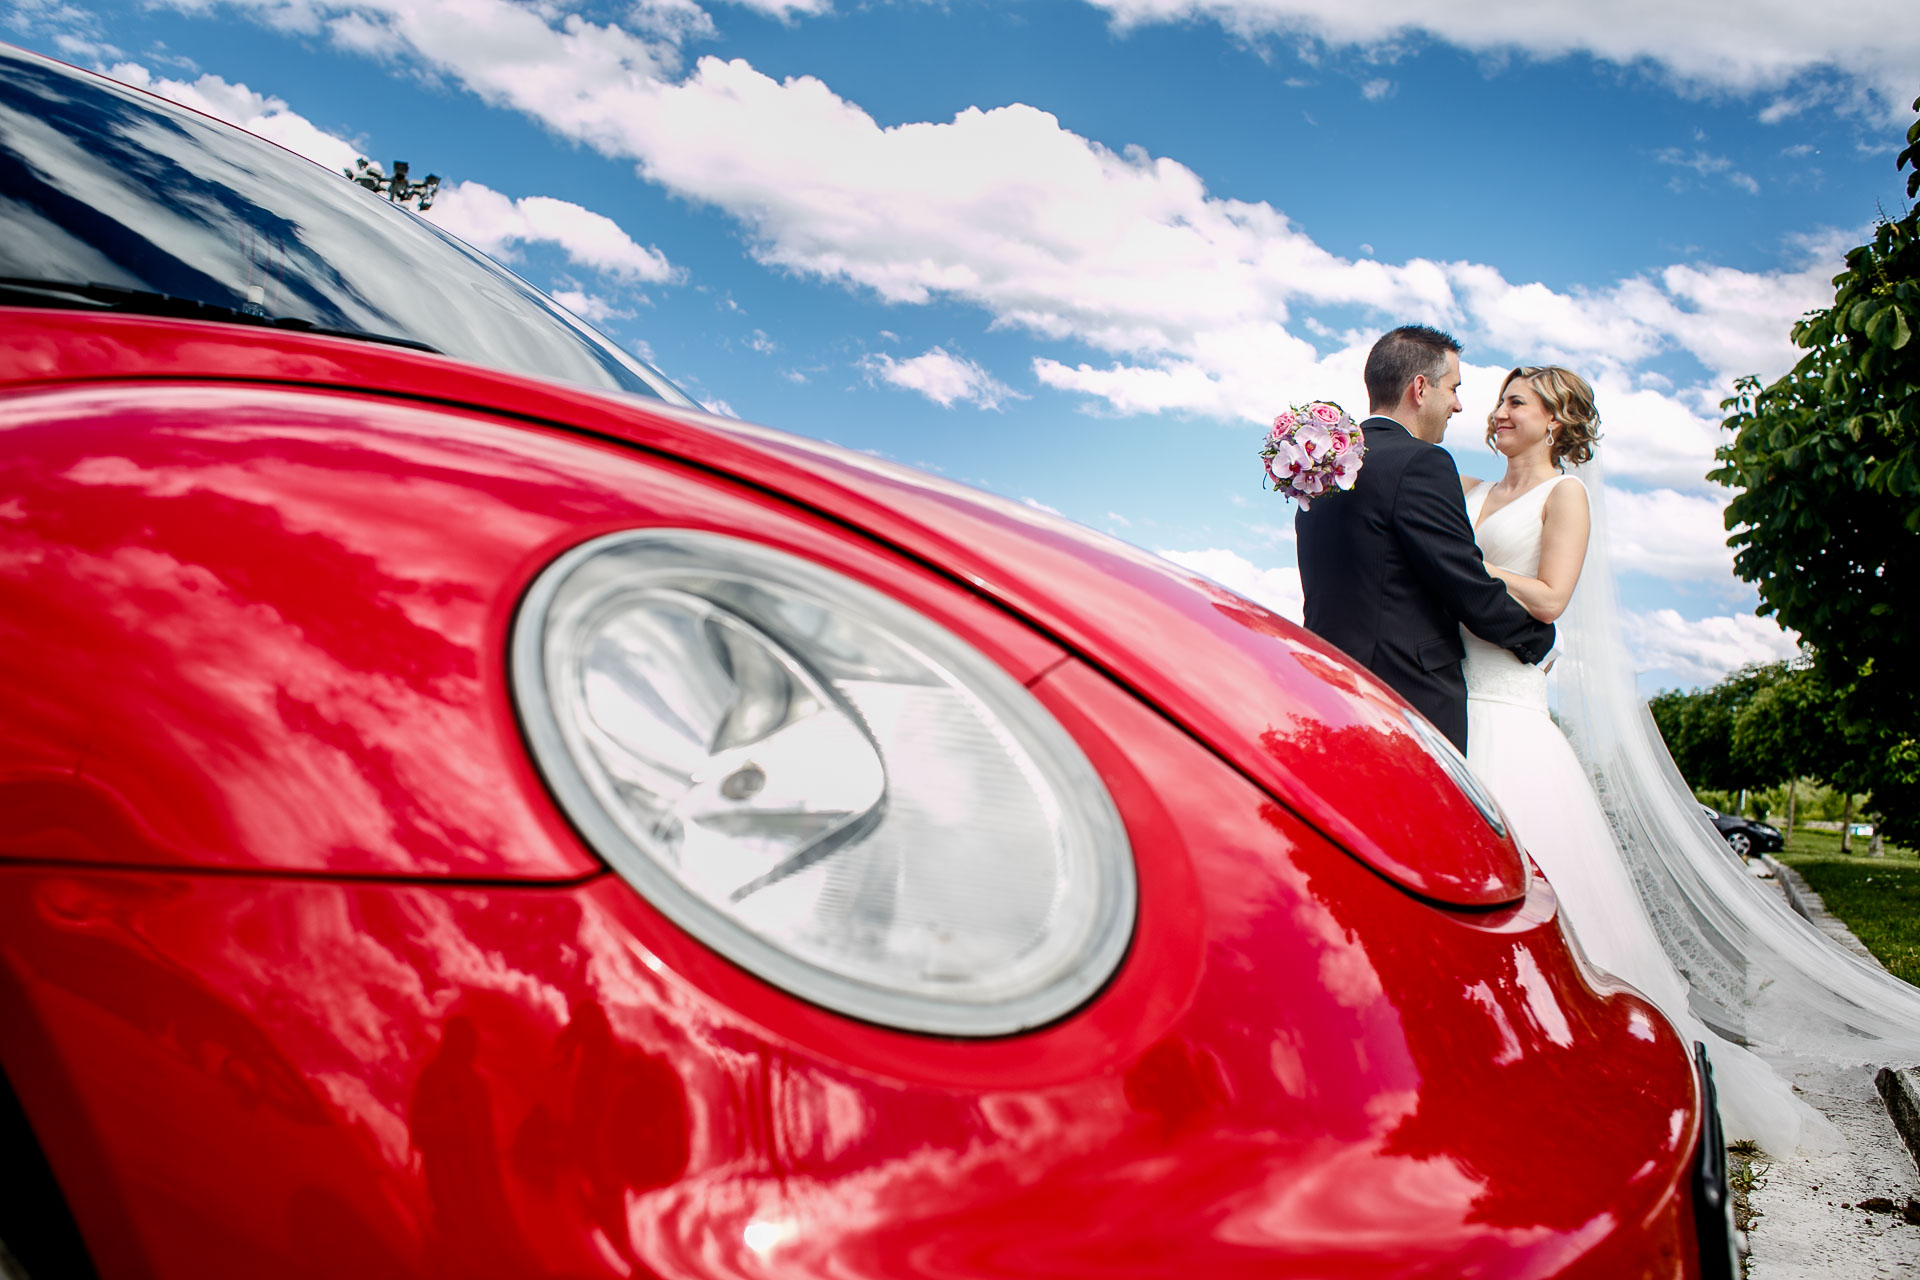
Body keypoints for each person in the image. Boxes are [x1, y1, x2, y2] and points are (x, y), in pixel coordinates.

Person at [1457, 365, 1823, 1155]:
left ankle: (1590, 1056)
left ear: (1555, 420)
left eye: (1516, 401)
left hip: (1513, 710)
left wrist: (1467, 567)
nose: (1498, 412)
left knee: (1552, 897)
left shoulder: (1566, 497)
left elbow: (1551, 596)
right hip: (1456, 702)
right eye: (1497, 399)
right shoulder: (1470, 487)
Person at [1295, 325, 1554, 753]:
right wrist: (1536, 640)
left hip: (1327, 688)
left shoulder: (1325, 468)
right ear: (1420, 388)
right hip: (1404, 700)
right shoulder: (1421, 462)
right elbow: (1462, 581)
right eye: (1452, 388)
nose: (1457, 404)